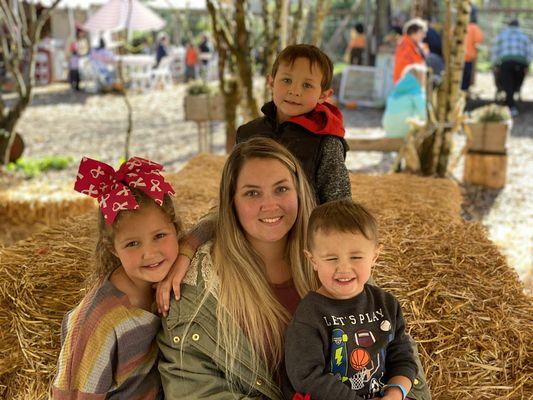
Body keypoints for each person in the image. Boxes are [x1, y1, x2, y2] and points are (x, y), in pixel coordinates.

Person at [157, 138, 318, 398]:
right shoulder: (198, 289)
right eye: (252, 193)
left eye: (281, 189)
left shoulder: (336, 257)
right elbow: (194, 391)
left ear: (299, 191)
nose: (270, 205)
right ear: (232, 202)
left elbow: (396, 358)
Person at [51, 156, 180, 399]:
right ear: (112, 249)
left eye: (160, 236)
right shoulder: (99, 322)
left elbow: (211, 226)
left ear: (176, 230)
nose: (150, 253)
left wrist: (186, 253)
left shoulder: (174, 274)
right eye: (132, 243)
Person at [283, 199, 417, 400]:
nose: (343, 268)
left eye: (355, 257)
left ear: (374, 256)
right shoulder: (311, 314)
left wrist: (396, 393)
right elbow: (306, 375)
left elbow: (403, 359)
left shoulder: (387, 304)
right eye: (331, 258)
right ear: (313, 260)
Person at [238, 43, 351, 204]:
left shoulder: (327, 142)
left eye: (307, 85)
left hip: (305, 227)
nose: (295, 91)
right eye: (286, 80)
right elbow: (234, 188)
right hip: (254, 224)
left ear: (323, 95)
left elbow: (339, 203)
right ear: (271, 82)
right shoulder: (246, 134)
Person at [491, 19, 532, 116]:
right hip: (520, 63)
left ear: (508, 26)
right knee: (515, 84)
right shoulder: (524, 37)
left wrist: (495, 65)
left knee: (507, 83)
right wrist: (527, 64)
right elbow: (529, 52)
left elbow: (495, 52)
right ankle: (510, 102)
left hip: (506, 63)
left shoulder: (502, 35)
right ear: (518, 26)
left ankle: (510, 105)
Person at [382, 64, 427, 139]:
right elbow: (424, 114)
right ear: (421, 78)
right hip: (405, 131)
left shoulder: (396, 89)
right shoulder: (416, 92)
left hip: (388, 129)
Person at [393, 18, 427, 84]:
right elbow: (407, 68)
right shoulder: (405, 46)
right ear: (413, 33)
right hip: (406, 84)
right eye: (421, 33)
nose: (424, 36)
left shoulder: (415, 45)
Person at [462, 8, 484, 91]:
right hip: (468, 59)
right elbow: (478, 42)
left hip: (456, 59)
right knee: (465, 83)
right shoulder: (474, 28)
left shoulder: (457, 27)